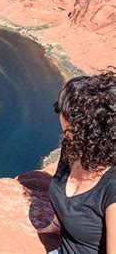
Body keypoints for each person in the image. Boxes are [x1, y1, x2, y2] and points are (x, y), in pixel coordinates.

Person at [38, 70, 115, 253]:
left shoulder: (111, 186)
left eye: (63, 110)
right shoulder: (72, 148)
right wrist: (56, 225)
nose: (59, 115)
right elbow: (65, 200)